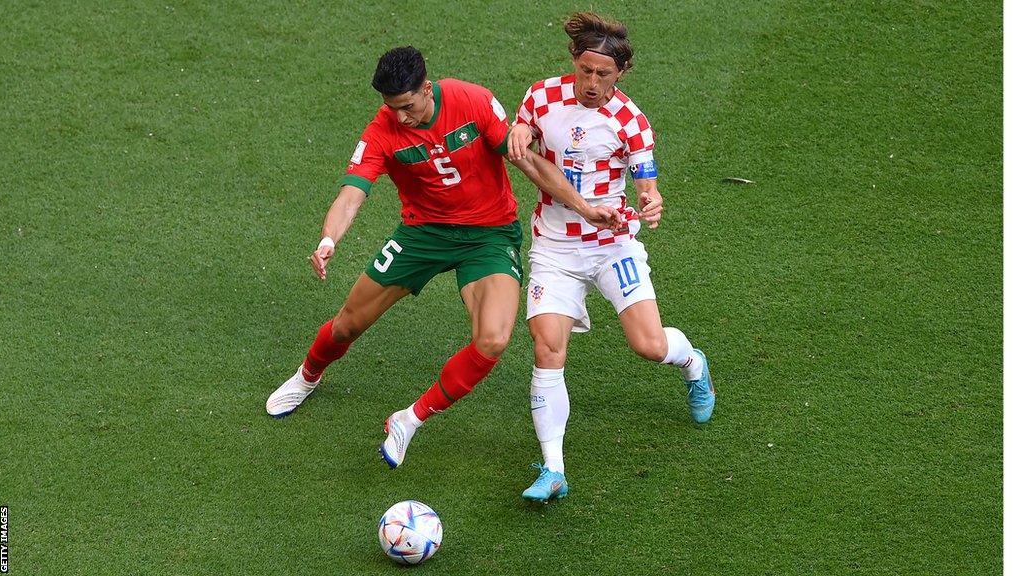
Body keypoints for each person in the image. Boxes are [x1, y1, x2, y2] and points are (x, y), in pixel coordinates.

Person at [265, 46, 623, 470]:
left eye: (407, 106)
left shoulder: (471, 101)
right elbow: (351, 195)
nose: (401, 117)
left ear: (427, 89)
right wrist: (329, 240)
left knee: (493, 339)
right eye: (391, 108)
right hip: (423, 234)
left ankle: (409, 420)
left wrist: (584, 208)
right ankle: (307, 375)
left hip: (488, 236)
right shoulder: (382, 131)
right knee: (347, 325)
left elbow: (528, 161)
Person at [506, 12, 716, 502]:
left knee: (648, 344)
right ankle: (553, 468)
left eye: (603, 74)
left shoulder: (631, 122)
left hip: (610, 244)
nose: (592, 83)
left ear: (621, 73)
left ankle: (693, 365)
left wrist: (652, 201)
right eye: (585, 71)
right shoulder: (541, 96)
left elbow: (646, 183)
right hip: (555, 248)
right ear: (574, 63)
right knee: (546, 350)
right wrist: (518, 130)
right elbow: (526, 134)